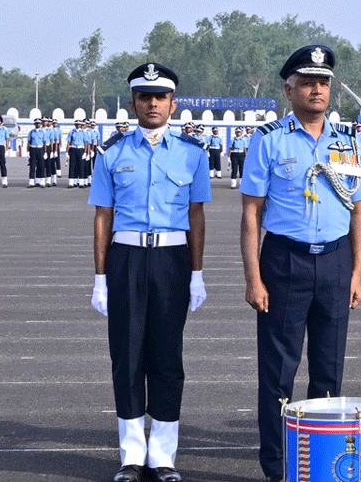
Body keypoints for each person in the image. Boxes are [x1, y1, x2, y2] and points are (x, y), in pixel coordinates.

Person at [239, 45, 361, 482]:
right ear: (289, 88)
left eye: (324, 82)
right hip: (284, 263)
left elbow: (358, 210)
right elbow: (251, 214)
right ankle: (278, 467)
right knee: (278, 373)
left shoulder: (348, 142)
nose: (317, 89)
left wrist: (355, 273)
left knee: (329, 370)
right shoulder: (269, 140)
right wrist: (254, 278)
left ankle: (320, 461)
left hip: (334, 264)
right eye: (308, 82)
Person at [88, 63, 210, 482]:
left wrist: (196, 272)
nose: (153, 103)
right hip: (125, 259)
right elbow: (103, 217)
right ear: (133, 103)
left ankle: (162, 455)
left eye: (160, 97)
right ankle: (131, 455)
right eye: (145, 97)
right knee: (126, 357)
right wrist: (100, 276)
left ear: (172, 104)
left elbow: (196, 215)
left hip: (172, 262)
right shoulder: (112, 152)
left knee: (166, 356)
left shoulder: (192, 154)